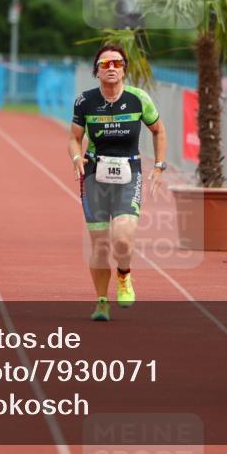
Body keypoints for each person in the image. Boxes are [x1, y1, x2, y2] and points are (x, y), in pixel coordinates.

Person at [69, 44, 167, 321]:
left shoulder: (139, 99)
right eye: (105, 64)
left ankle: (124, 276)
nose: (111, 68)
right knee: (100, 244)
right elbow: (74, 137)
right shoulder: (85, 101)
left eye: (117, 63)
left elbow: (159, 131)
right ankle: (101, 301)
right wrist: (76, 157)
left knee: (122, 240)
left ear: (124, 68)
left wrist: (159, 166)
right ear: (96, 71)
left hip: (129, 173)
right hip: (94, 174)